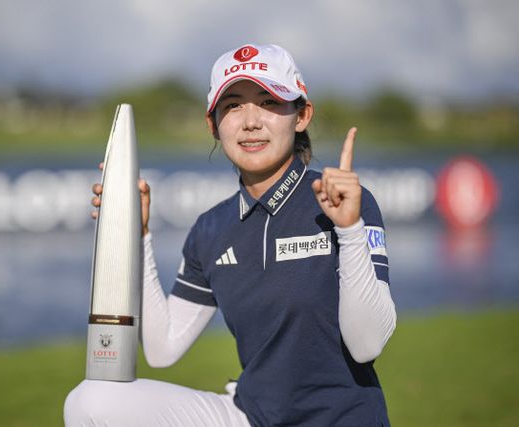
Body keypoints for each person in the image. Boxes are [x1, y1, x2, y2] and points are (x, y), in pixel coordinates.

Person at [64, 43, 396, 427]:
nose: (250, 121)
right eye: (234, 105)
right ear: (213, 125)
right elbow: (162, 348)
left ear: (302, 115)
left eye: (269, 102)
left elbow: (367, 345)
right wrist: (136, 236)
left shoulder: (346, 201)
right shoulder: (211, 228)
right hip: (251, 415)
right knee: (90, 401)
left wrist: (350, 229)